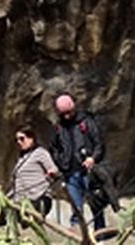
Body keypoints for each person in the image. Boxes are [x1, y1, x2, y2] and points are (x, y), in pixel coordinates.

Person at [49, 93, 108, 233]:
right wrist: (61, 163)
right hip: (70, 173)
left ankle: (101, 234)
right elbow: (54, 148)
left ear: (73, 108)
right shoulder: (59, 128)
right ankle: (78, 234)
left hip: (89, 172)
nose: (66, 116)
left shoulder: (87, 122)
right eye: (63, 113)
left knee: (96, 204)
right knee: (76, 207)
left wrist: (93, 158)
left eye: (68, 112)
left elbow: (99, 144)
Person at [10, 126, 58, 218]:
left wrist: (51, 173)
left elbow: (53, 169)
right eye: (16, 140)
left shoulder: (40, 153)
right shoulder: (22, 158)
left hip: (38, 198)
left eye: (22, 139)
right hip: (20, 201)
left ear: (31, 139)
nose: (19, 142)